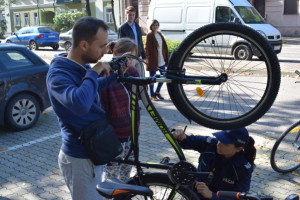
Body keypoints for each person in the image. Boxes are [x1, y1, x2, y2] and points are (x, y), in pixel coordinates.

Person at [46, 17, 118, 200]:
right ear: (84, 45)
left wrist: (115, 75)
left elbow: (91, 87)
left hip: (92, 151)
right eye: (102, 46)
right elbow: (80, 103)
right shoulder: (58, 75)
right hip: (78, 158)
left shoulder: (78, 67)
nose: (105, 51)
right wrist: (94, 71)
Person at [172, 127, 256, 200]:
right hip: (193, 193)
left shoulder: (244, 168)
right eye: (220, 138)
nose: (219, 144)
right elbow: (187, 139)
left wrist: (212, 195)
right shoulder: (211, 144)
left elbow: (239, 197)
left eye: (225, 143)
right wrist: (179, 135)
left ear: (238, 149)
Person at [101, 38, 140, 182]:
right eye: (128, 57)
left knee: (126, 171)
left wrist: (137, 130)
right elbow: (102, 109)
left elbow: (138, 101)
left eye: (133, 58)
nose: (130, 62)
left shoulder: (133, 72)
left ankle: (123, 195)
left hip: (132, 133)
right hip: (114, 136)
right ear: (116, 53)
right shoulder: (106, 74)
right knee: (111, 174)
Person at [118, 6, 146, 76]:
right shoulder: (122, 28)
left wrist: (144, 56)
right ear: (125, 15)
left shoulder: (137, 27)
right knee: (131, 79)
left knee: (141, 77)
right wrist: (125, 58)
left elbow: (140, 42)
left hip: (138, 56)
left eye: (133, 15)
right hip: (129, 57)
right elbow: (121, 45)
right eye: (129, 15)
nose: (131, 17)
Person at [145, 19, 169, 101]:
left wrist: (166, 56)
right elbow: (147, 47)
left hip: (161, 58)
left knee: (163, 76)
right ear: (151, 26)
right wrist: (146, 57)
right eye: (153, 25)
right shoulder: (150, 35)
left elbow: (163, 47)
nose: (155, 26)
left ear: (158, 26)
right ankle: (152, 95)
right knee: (152, 78)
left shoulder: (159, 34)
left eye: (156, 25)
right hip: (153, 59)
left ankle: (157, 92)